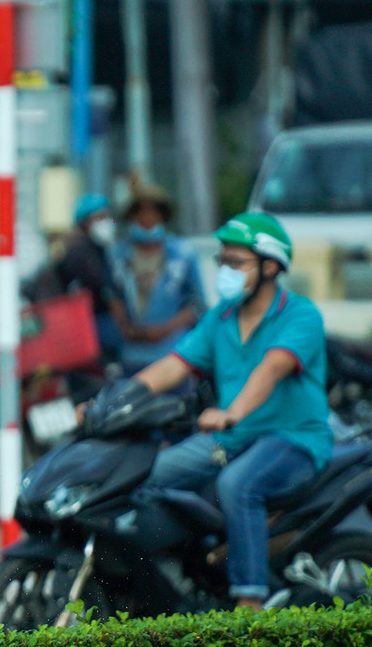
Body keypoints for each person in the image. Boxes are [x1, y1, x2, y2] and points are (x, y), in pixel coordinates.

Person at [130, 213, 332, 610]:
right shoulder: (219, 318)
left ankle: (249, 598)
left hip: (293, 438)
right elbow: (172, 366)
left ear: (271, 266)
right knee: (141, 476)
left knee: (238, 484)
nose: (225, 270)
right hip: (230, 438)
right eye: (222, 261)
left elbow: (272, 367)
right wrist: (116, 399)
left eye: (236, 263)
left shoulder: (299, 315)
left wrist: (232, 411)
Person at [109, 181, 205, 374]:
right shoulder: (118, 256)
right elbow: (112, 296)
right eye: (140, 213)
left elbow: (196, 303)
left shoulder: (182, 254)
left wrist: (164, 330)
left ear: (163, 216)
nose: (147, 218)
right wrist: (127, 328)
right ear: (131, 217)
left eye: (153, 212)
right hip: (132, 355)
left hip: (173, 354)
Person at [56, 193, 124, 363]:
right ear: (85, 223)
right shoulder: (80, 250)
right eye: (100, 218)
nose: (107, 222)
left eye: (107, 216)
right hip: (89, 325)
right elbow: (100, 286)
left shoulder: (100, 248)